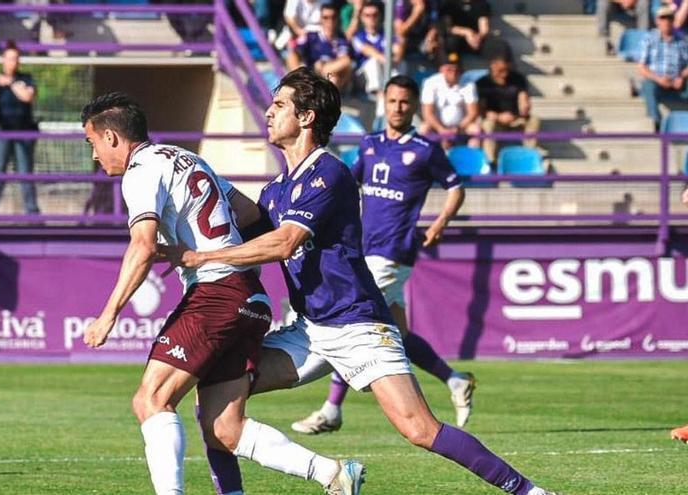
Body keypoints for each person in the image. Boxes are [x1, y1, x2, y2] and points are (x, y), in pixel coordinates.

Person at [164, 67, 558, 495]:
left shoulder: (329, 172)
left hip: (358, 325)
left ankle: (530, 492)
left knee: (419, 428)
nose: (268, 112)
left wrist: (201, 256)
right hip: (310, 331)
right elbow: (246, 238)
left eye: (279, 105)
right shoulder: (275, 191)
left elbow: (283, 243)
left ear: (308, 116)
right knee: (216, 393)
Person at [81, 91, 364, 495]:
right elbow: (251, 214)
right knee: (223, 427)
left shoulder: (140, 170)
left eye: (92, 143)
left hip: (216, 292)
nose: (94, 155)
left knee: (151, 399)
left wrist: (109, 313)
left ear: (111, 137)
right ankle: (332, 474)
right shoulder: (188, 158)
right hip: (250, 295)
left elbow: (141, 245)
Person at [291, 73, 474, 438]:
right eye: (392, 101)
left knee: (352, 323)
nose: (398, 107)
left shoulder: (425, 149)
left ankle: (331, 409)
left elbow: (456, 189)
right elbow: (348, 181)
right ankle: (454, 380)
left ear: (414, 105)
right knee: (398, 333)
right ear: (383, 102)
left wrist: (439, 224)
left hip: (394, 251)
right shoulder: (370, 143)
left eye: (405, 102)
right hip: (363, 247)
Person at [0, 42, 40, 215]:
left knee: (25, 174)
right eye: (9, 58)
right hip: (2, 131)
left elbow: (27, 96)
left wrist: (12, 83)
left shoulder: (26, 79)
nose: (12, 62)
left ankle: (32, 213)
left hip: (24, 131)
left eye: (16, 58)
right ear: (3, 60)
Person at [476, 53, 540, 164]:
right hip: (495, 119)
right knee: (487, 124)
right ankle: (490, 161)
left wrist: (524, 106)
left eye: (506, 70)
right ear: (492, 66)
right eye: (500, 70)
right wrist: (498, 117)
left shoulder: (517, 79)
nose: (504, 74)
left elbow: (523, 97)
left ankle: (529, 156)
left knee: (534, 120)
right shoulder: (483, 83)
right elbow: (481, 109)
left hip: (516, 118)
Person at [637, 4, 688, 132]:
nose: (666, 22)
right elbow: (641, 67)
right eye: (663, 18)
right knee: (648, 85)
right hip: (657, 82)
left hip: (677, 82)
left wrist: (681, 77)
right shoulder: (650, 39)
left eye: (669, 18)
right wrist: (659, 79)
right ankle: (656, 120)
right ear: (657, 21)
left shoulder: (682, 41)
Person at [418, 51, 480, 149]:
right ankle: (424, 161)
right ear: (442, 69)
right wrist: (441, 129)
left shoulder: (469, 84)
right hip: (436, 126)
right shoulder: (430, 83)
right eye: (449, 69)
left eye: (456, 69)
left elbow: (472, 112)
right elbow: (427, 113)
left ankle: (473, 160)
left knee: (476, 129)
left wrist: (458, 128)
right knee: (424, 128)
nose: (453, 73)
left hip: (461, 126)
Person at [351, 1, 403, 111]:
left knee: (402, 64)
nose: (372, 18)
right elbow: (369, 51)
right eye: (367, 15)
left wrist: (396, 58)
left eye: (375, 15)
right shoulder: (358, 36)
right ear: (362, 18)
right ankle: (380, 94)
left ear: (380, 16)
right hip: (363, 78)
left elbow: (398, 51)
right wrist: (388, 60)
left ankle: (395, 92)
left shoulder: (387, 34)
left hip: (384, 71)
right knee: (373, 62)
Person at [293, 3, 352, 90]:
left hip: (332, 76)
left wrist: (324, 66)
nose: (330, 21)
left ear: (338, 19)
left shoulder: (341, 39)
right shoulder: (311, 36)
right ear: (320, 19)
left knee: (335, 75)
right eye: (326, 17)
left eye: (333, 17)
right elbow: (294, 53)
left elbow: (345, 61)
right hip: (311, 75)